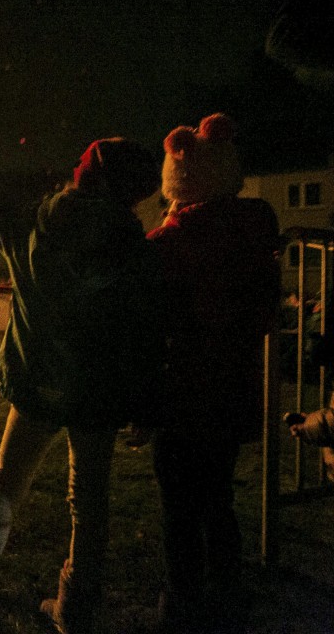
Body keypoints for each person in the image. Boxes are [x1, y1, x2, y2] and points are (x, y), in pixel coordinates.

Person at [0, 138, 165, 634]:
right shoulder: (135, 252)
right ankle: (75, 608)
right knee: (89, 503)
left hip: (38, 384)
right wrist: (145, 404)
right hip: (97, 396)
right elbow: (144, 334)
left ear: (86, 176)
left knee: (6, 488)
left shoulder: (37, 229)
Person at [146, 113, 280, 633]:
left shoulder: (169, 243)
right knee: (218, 497)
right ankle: (227, 593)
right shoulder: (255, 234)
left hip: (183, 394)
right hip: (234, 391)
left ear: (178, 180)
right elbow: (264, 312)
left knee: (179, 505)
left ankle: (182, 602)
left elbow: (152, 322)